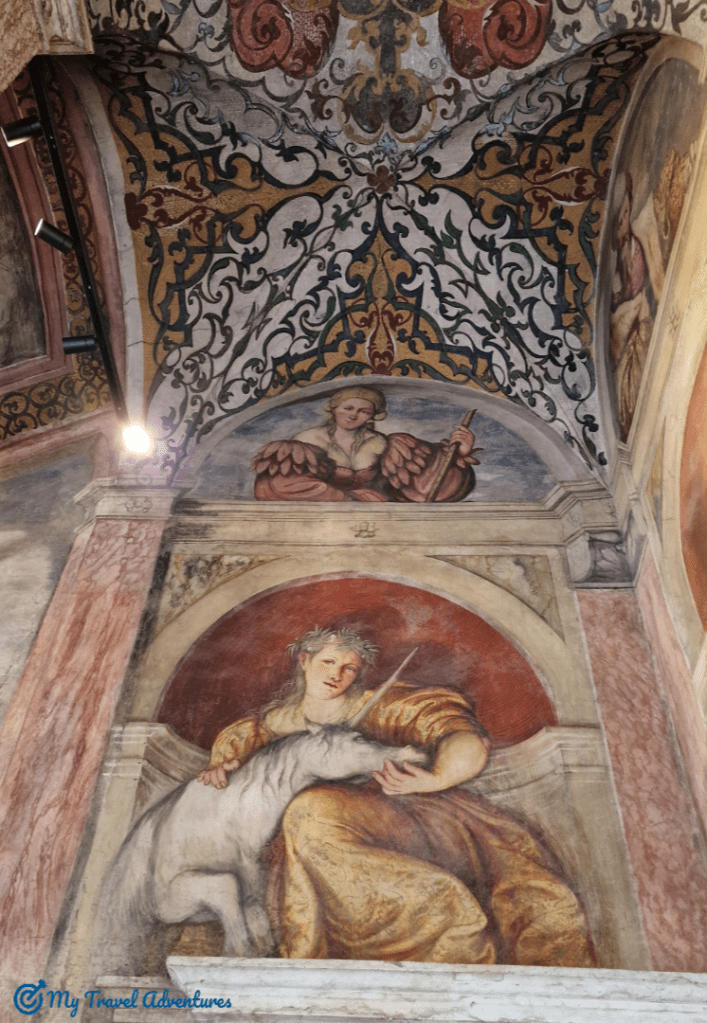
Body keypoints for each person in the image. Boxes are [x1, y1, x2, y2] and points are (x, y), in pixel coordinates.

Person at [198, 627, 595, 966]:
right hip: (296, 845)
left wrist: (436, 777)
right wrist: (221, 774)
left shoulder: (387, 706)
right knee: (304, 819)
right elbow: (231, 784)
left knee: (311, 810)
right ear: (304, 661)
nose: (336, 674)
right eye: (328, 662)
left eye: (348, 668)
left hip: (401, 815)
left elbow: (462, 739)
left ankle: (443, 911)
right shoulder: (258, 731)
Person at [250, 387, 479, 502]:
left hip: (375, 518)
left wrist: (459, 453)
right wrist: (352, 499)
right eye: (348, 408)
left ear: (372, 416)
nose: (353, 415)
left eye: (364, 411)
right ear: (334, 409)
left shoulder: (382, 443)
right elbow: (280, 486)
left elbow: (426, 485)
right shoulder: (307, 439)